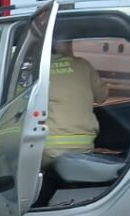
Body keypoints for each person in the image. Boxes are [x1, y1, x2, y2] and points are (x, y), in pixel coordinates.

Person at [42, 39, 108, 169]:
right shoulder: (84, 65)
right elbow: (102, 97)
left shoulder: (39, 70)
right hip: (83, 147)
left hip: (48, 150)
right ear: (67, 46)